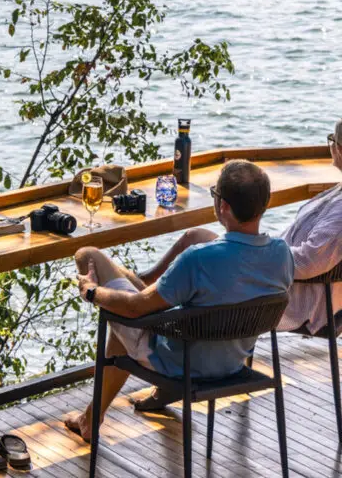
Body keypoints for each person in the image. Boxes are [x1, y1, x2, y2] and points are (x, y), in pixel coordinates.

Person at [65, 159, 293, 440]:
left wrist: (92, 292)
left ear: (223, 206)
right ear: (264, 204)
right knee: (174, 254)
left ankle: (91, 418)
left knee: (88, 255)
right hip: (231, 362)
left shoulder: (199, 260)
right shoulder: (282, 254)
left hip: (178, 364)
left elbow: (135, 309)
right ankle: (92, 416)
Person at [130, 120, 342, 411]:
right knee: (194, 238)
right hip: (271, 273)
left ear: (339, 150)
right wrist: (260, 248)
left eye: (331, 140)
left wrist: (261, 254)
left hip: (289, 299)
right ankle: (145, 286)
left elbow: (309, 261)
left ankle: (144, 304)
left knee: (200, 271)